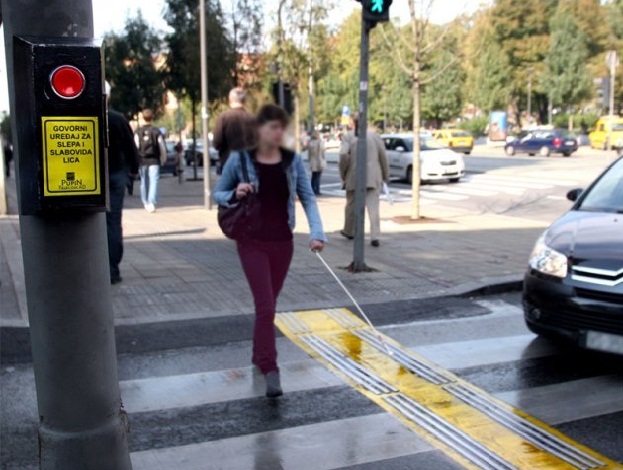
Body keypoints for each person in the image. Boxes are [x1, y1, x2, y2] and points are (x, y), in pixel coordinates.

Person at [213, 104, 326, 398]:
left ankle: (258, 354)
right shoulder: (240, 159)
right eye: (271, 127)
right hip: (251, 241)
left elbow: (308, 197)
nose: (277, 133)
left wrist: (317, 233)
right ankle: (270, 368)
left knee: (268, 307)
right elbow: (219, 193)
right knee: (266, 307)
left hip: (282, 243)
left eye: (281, 128)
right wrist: (234, 192)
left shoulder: (292, 161)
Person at [105, 83, 140, 284]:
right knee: (113, 222)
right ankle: (112, 269)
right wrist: (132, 171)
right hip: (117, 175)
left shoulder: (85, 119)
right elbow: (131, 148)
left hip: (93, 178)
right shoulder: (117, 119)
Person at [339, 114, 389, 247]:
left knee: (351, 205)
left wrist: (344, 173)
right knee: (373, 208)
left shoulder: (348, 136)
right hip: (373, 177)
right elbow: (383, 156)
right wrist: (385, 175)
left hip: (354, 176)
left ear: (353, 123)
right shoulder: (375, 136)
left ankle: (349, 230)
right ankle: (375, 236)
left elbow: (343, 155)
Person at [213, 87, 257, 174]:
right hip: (249, 164)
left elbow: (217, 143)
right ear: (244, 101)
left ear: (230, 100)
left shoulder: (223, 118)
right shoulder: (252, 118)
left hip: (228, 162)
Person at [135, 108, 166, 212]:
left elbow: (136, 147)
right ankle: (151, 202)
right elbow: (162, 147)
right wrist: (163, 158)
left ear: (142, 118)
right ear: (152, 118)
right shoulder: (156, 131)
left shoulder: (138, 131)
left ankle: (145, 202)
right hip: (154, 160)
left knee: (143, 182)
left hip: (142, 160)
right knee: (154, 181)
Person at [307, 131, 326, 196]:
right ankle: (317, 190)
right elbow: (321, 152)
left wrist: (309, 161)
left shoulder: (310, 142)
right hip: (318, 161)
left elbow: (309, 154)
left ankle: (311, 190)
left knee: (313, 176)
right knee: (318, 177)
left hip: (312, 161)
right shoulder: (319, 142)